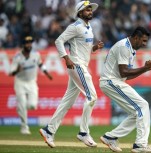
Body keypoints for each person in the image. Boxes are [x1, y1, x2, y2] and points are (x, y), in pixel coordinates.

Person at [39, 0, 104, 148]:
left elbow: (82, 47)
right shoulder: (75, 26)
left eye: (90, 9)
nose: (90, 11)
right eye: (87, 10)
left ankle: (49, 130)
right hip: (76, 65)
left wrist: (94, 48)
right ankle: (83, 133)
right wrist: (66, 58)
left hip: (81, 64)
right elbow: (59, 41)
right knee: (92, 96)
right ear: (80, 12)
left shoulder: (88, 27)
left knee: (67, 102)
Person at [99, 26, 151, 153]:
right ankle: (140, 145)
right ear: (136, 38)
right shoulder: (124, 47)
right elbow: (123, 72)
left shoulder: (131, 49)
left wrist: (145, 69)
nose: (144, 44)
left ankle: (110, 137)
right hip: (111, 81)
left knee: (136, 113)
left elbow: (127, 75)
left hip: (114, 82)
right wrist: (144, 68)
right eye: (143, 41)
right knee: (143, 105)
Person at [9, 36, 53, 135]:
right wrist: (17, 70)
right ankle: (24, 128)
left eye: (30, 43)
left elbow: (40, 64)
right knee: (23, 104)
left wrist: (47, 73)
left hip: (32, 82)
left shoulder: (36, 55)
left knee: (32, 105)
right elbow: (11, 73)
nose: (29, 45)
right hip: (20, 82)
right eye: (27, 43)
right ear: (23, 45)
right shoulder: (17, 57)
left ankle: (21, 108)